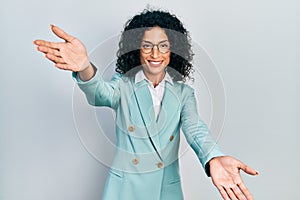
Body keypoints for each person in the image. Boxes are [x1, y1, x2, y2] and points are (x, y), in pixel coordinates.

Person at [33, 9, 258, 200]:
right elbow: (100, 94)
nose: (155, 54)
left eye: (163, 46)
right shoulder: (123, 84)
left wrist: (214, 157)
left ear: (174, 51)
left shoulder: (183, 93)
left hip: (165, 191)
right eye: (147, 46)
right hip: (124, 190)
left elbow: (195, 129)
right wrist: (84, 67)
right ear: (136, 49)